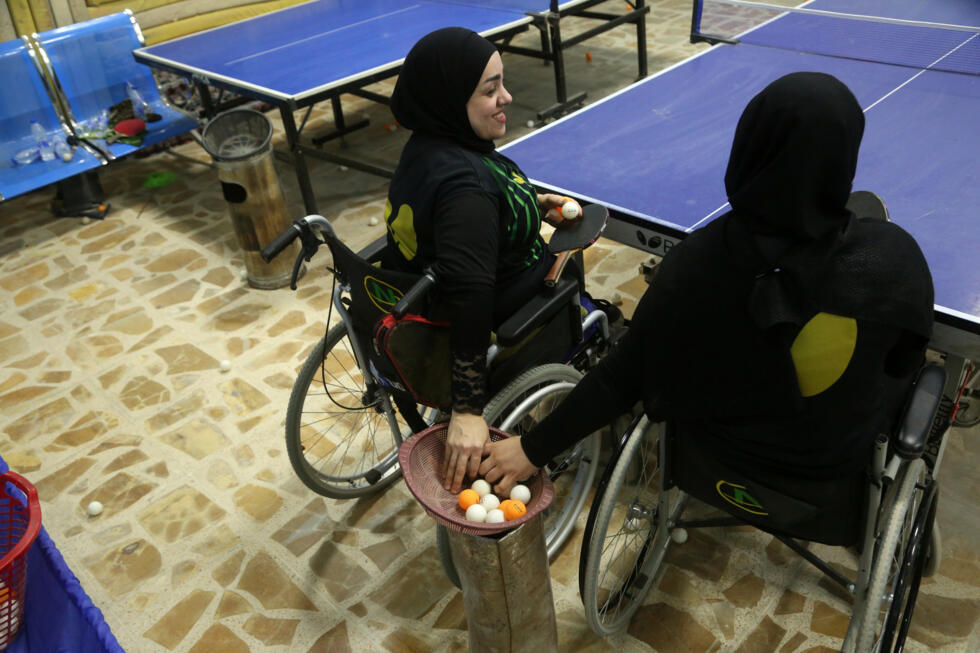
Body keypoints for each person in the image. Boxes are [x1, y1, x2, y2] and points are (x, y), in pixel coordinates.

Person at [479, 72, 934, 493]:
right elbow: (903, 363)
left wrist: (532, 448)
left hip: (713, 461)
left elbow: (621, 376)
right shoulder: (892, 260)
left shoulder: (693, 265)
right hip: (826, 479)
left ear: (748, 149)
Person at [381, 27, 577, 493]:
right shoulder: (468, 191)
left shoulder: (429, 145)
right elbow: (471, 299)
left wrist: (528, 202)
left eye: (501, 83)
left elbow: (458, 219)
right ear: (452, 100)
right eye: (490, 90)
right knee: (572, 264)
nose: (507, 97)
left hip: (427, 297)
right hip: (500, 311)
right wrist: (468, 409)